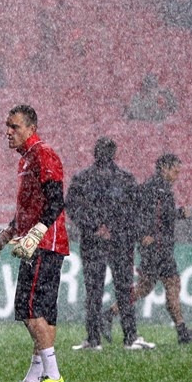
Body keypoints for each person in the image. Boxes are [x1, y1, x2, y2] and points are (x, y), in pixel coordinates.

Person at [0, 104, 69, 382]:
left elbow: (56, 201)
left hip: (44, 245)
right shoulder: (26, 160)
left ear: (31, 129)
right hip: (40, 243)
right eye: (7, 125)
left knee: (30, 311)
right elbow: (27, 211)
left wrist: (38, 232)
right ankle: (34, 380)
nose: (7, 131)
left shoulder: (43, 154)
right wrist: (5, 236)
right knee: (44, 313)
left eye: (14, 126)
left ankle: (54, 377)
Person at [103, 154, 192, 345]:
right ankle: (182, 331)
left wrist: (177, 215)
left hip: (158, 247)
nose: (177, 174)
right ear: (164, 168)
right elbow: (143, 214)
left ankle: (110, 313)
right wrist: (144, 234)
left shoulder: (158, 188)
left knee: (148, 286)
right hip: (156, 247)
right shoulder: (156, 189)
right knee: (169, 284)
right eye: (175, 170)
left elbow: (156, 215)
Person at [66, 137, 155, 351]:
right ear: (115, 154)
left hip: (93, 241)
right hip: (121, 242)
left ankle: (93, 339)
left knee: (94, 291)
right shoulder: (125, 178)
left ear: (94, 153)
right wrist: (117, 229)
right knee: (124, 289)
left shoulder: (82, 178)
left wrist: (95, 227)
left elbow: (71, 207)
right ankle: (130, 337)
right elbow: (135, 210)